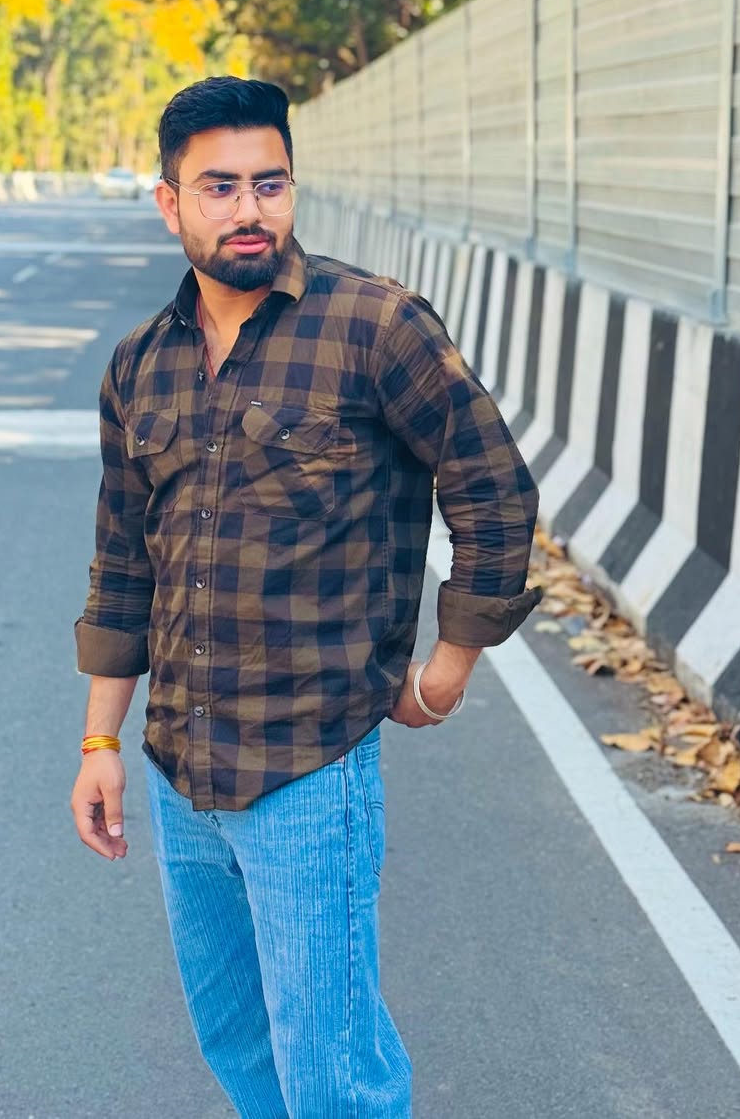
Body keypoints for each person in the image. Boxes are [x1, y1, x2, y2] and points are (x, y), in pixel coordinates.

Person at [71, 76, 542, 1117]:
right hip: (179, 768)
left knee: (332, 1071)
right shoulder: (141, 365)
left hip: (309, 770)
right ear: (170, 202)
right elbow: (122, 564)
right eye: (221, 187)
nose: (250, 209)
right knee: (237, 1041)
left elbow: (493, 486)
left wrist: (447, 669)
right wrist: (101, 742)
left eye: (270, 184)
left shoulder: (374, 326)